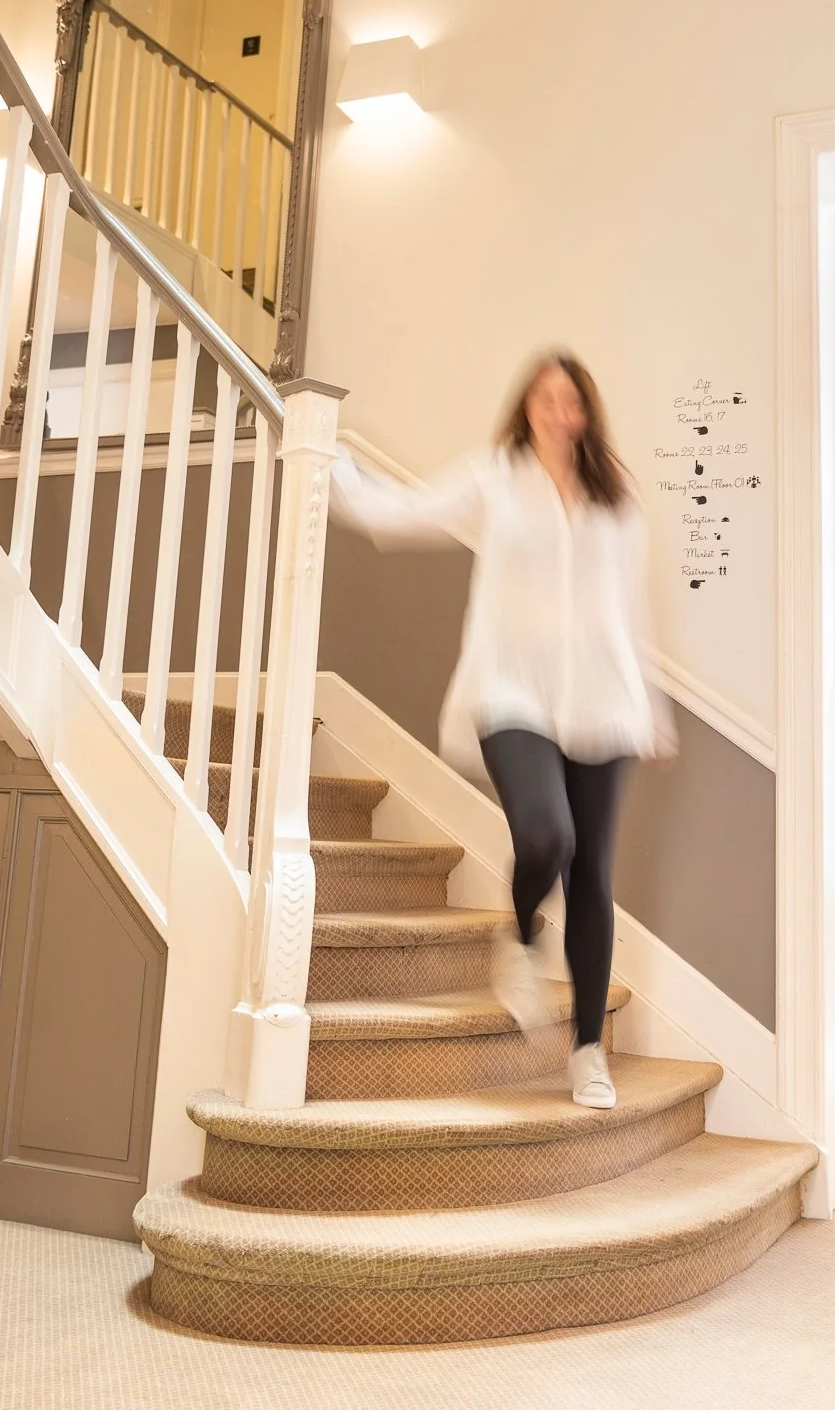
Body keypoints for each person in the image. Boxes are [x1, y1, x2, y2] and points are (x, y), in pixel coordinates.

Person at [327, 353, 677, 1109]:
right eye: (544, 399)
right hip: (510, 689)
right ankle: (520, 936)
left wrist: (651, 706)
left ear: (585, 412)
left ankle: (587, 1052)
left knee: (593, 877)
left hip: (603, 703)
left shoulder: (616, 498)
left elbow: (631, 607)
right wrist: (328, 459)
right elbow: (402, 512)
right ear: (526, 408)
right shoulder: (494, 477)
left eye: (570, 400)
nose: (557, 412)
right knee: (548, 837)